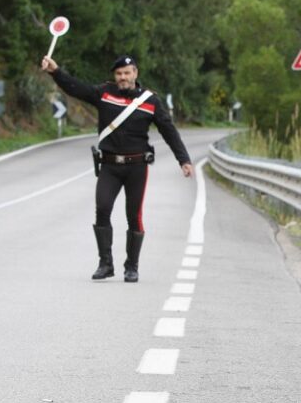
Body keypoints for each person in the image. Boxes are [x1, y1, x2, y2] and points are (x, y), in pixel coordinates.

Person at [41, 54, 194, 283]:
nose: (123, 77)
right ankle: (105, 263)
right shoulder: (104, 93)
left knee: (134, 216)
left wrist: (184, 160)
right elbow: (75, 89)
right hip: (110, 166)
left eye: (127, 73)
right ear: (115, 76)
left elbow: (168, 131)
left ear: (135, 73)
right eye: (119, 74)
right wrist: (55, 71)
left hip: (137, 167)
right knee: (102, 208)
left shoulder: (151, 101)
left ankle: (132, 267)